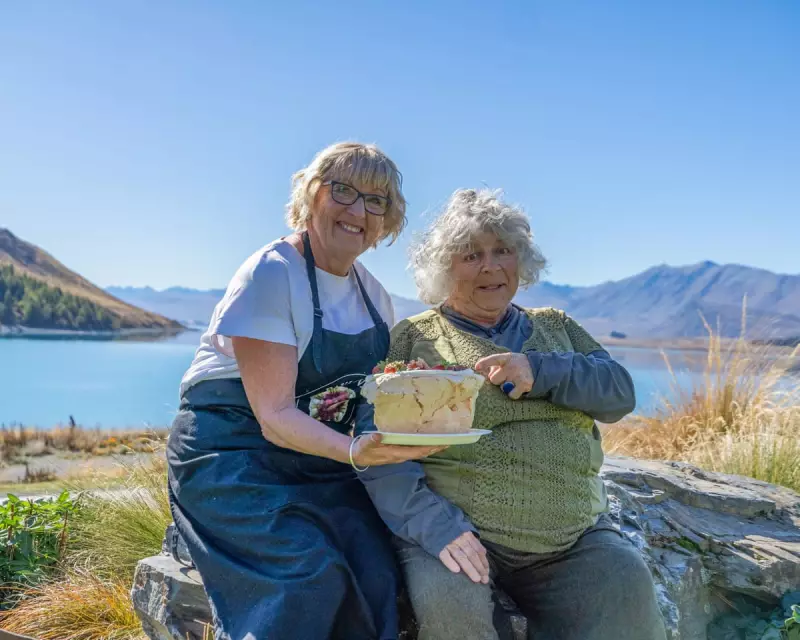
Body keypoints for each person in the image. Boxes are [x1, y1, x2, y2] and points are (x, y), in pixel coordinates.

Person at [356, 188, 667, 640]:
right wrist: (436, 528)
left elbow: (618, 394)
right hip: (459, 538)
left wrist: (539, 370)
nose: (491, 266)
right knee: (453, 614)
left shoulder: (557, 327)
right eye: (471, 255)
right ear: (445, 268)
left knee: (625, 586)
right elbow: (376, 449)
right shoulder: (414, 339)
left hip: (575, 539)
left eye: (503, 250)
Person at [167, 142, 445, 640]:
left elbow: (367, 399)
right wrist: (357, 452)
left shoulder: (375, 297)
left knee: (378, 574)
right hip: (231, 456)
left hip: (315, 461)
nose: (358, 210)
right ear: (310, 195)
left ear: (387, 219)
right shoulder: (273, 273)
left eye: (376, 200)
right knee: (307, 576)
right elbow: (273, 414)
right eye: (343, 190)